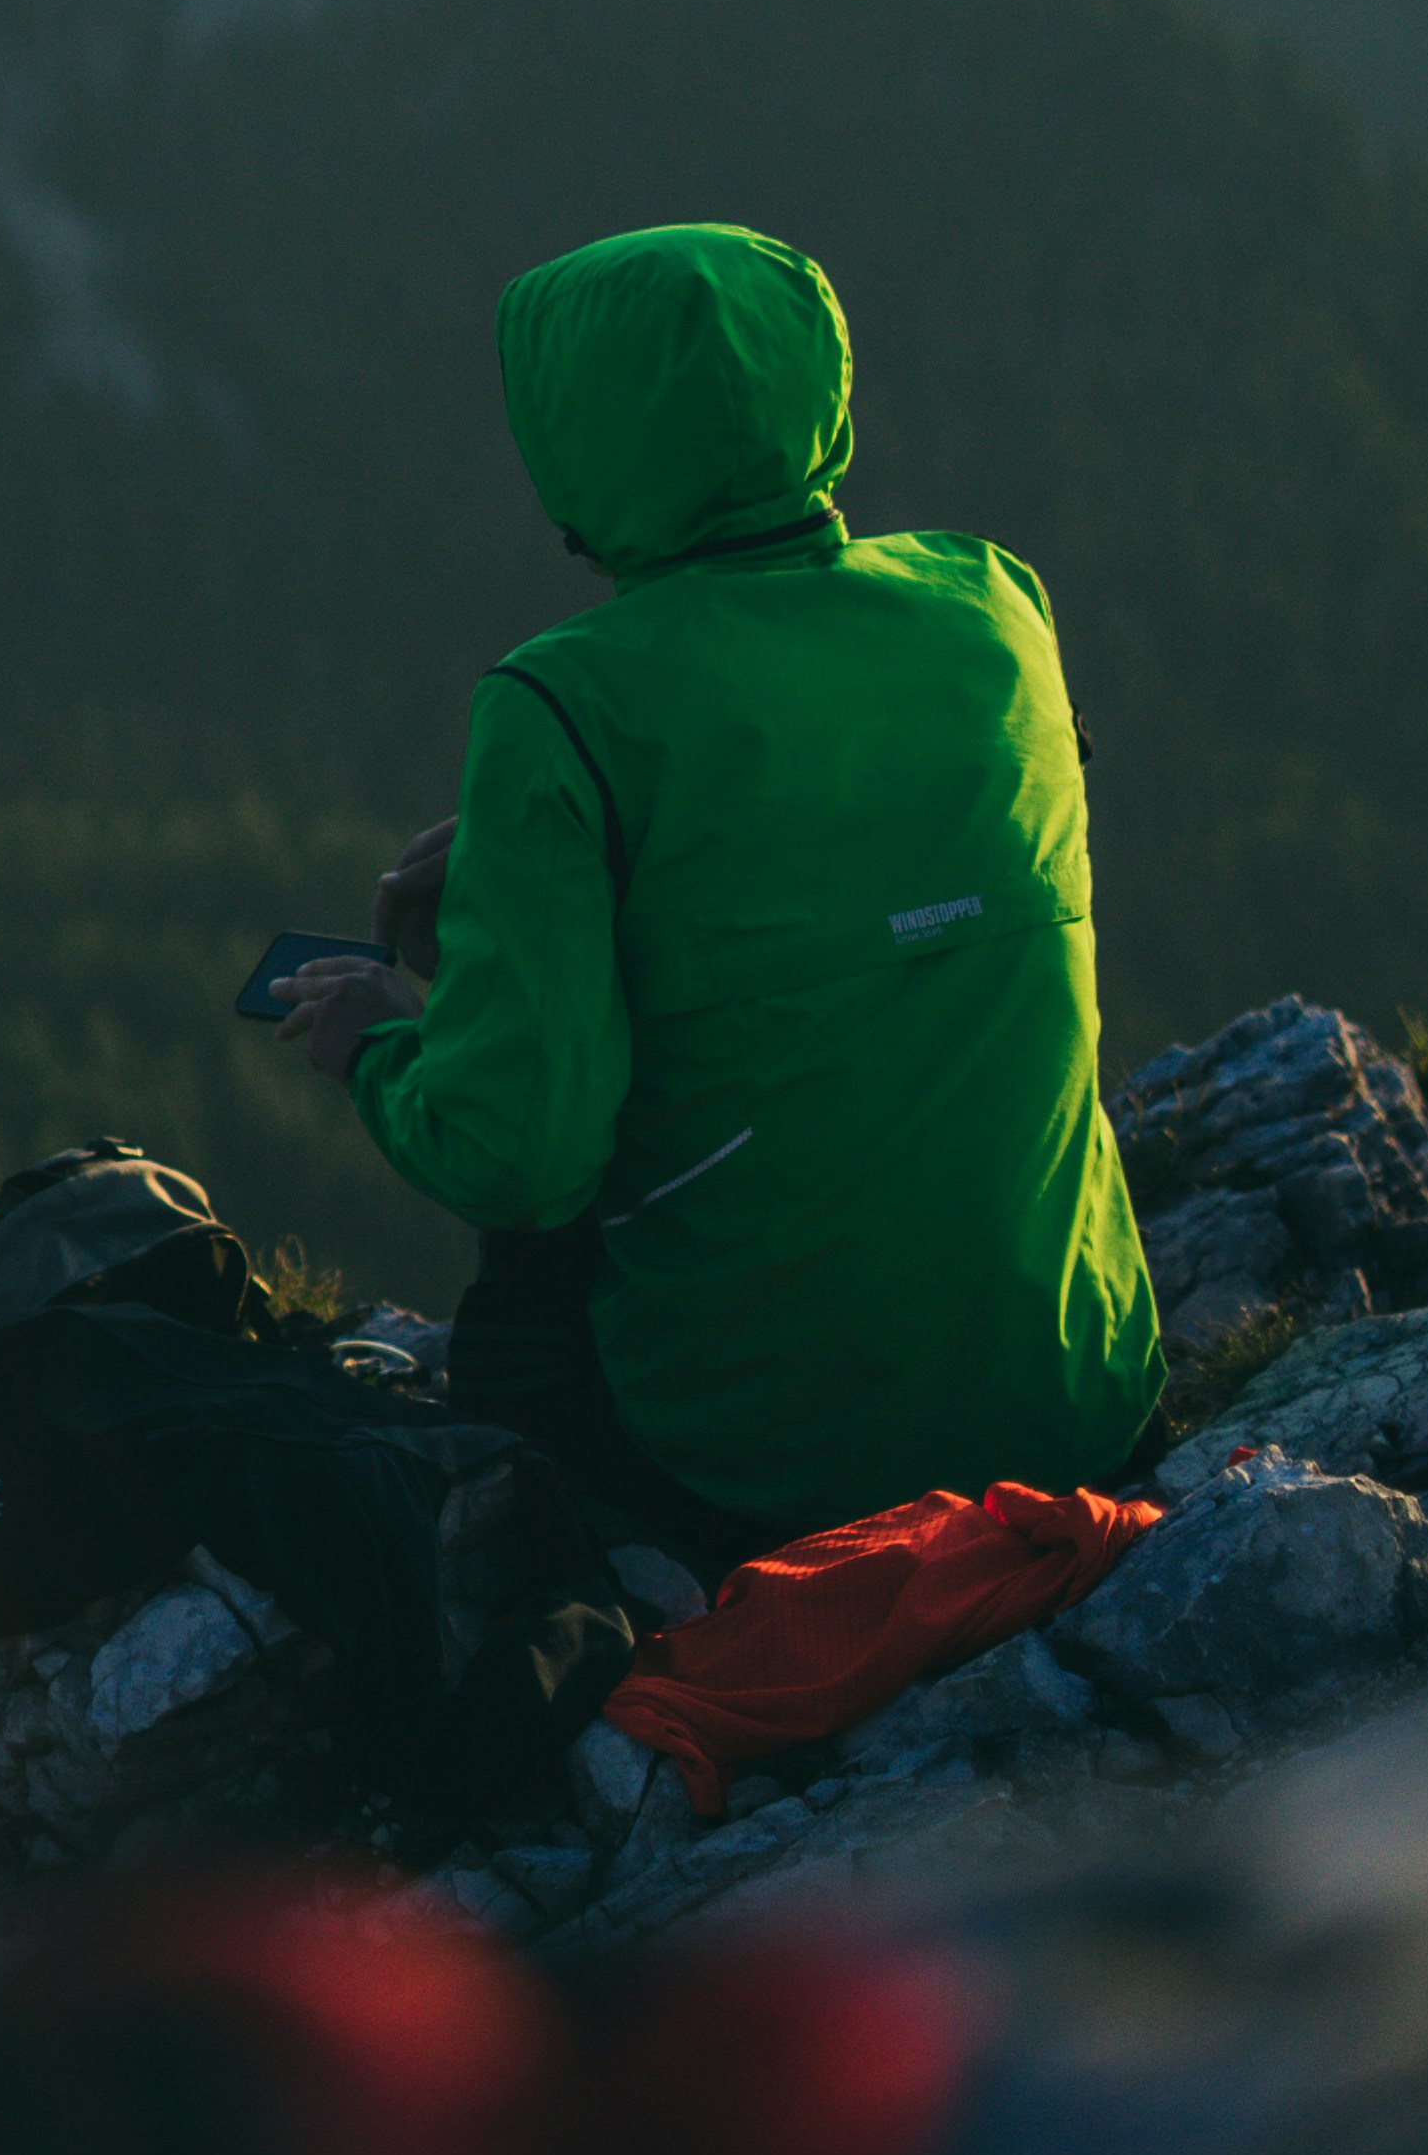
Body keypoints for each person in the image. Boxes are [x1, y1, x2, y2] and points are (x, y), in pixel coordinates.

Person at [284, 219, 1160, 1576]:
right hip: (1078, 1403)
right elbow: (878, 837)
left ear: (577, 449)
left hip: (772, 1477)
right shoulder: (991, 603)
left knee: (532, 1267)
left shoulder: (562, 704)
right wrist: (538, 855)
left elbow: (520, 1152)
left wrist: (380, 1047)